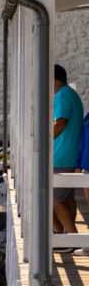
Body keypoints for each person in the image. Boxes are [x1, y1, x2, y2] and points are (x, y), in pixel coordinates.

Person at [54, 64, 84, 249]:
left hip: (61, 155)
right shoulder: (70, 94)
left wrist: (41, 141)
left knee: (55, 199)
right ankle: (65, 236)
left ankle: (72, 238)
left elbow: (60, 123)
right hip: (69, 154)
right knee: (67, 197)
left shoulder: (62, 95)